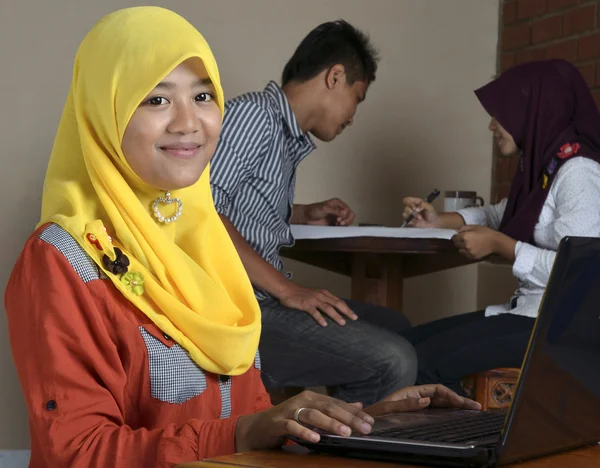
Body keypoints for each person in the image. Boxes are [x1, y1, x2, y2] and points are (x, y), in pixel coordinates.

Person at [4, 7, 481, 467]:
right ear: (102, 113)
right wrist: (244, 433)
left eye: (203, 96)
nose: (189, 121)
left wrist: (368, 420)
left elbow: (256, 427)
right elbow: (77, 454)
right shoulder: (63, 261)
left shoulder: (206, 245)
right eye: (156, 98)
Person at [209, 20, 416, 405]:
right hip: (238, 311)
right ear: (335, 76)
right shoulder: (254, 115)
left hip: (262, 299)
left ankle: (331, 436)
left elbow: (238, 208)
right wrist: (289, 290)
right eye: (358, 96)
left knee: (397, 327)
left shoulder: (284, 137)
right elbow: (202, 213)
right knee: (393, 358)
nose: (354, 115)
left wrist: (302, 213)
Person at [400, 59, 600, 395]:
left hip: (560, 328)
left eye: (501, 113)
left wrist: (500, 246)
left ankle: (463, 440)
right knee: (401, 349)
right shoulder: (547, 165)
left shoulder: (579, 172)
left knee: (420, 364)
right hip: (527, 313)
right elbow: (506, 213)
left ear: (532, 111)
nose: (492, 125)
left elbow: (581, 272)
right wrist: (438, 221)